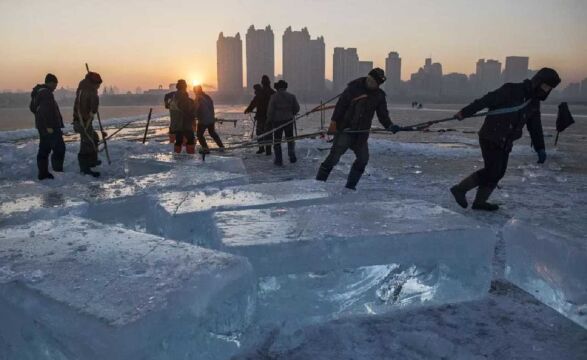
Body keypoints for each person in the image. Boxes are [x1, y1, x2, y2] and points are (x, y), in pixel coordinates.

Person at [450, 67, 561, 211]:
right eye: (546, 86)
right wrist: (464, 112)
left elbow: (535, 127)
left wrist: (540, 148)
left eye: (549, 88)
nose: (546, 90)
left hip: (506, 141)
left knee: (499, 172)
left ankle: (479, 202)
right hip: (491, 136)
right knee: (492, 171)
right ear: (538, 82)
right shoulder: (512, 90)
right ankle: (460, 189)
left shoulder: (534, 103)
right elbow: (485, 100)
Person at [316, 68, 400, 190]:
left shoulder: (379, 96)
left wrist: (390, 126)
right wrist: (334, 124)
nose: (370, 83)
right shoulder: (353, 89)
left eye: (374, 82)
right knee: (333, 158)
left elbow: (383, 115)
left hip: (361, 134)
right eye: (369, 80)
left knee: (363, 159)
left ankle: (350, 187)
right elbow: (340, 107)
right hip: (346, 130)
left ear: (378, 84)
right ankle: (318, 184)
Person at [29, 73, 65, 180]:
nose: (55, 87)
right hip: (50, 128)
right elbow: (44, 111)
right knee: (59, 148)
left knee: (44, 149)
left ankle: (43, 173)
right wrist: (49, 126)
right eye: (55, 84)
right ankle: (58, 171)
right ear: (50, 83)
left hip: (43, 127)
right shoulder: (46, 93)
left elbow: (33, 108)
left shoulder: (38, 92)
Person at [73, 71, 103, 177]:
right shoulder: (90, 91)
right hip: (83, 121)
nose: (99, 86)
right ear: (94, 83)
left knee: (93, 137)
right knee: (87, 143)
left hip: (81, 120)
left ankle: (92, 161)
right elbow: (94, 105)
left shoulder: (82, 88)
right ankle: (85, 169)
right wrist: (92, 112)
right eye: (98, 84)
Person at [266, 80, 300, 166]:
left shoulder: (273, 97)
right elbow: (297, 108)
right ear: (285, 87)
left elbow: (270, 111)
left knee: (277, 141)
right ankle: (292, 156)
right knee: (290, 139)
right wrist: (293, 113)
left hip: (277, 121)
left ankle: (278, 160)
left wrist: (269, 120)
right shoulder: (291, 96)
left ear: (277, 87)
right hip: (289, 120)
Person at [244, 75, 275, 155]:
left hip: (261, 116)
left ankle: (261, 148)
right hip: (270, 117)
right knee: (268, 133)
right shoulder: (273, 92)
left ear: (262, 83)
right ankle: (268, 150)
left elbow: (254, 103)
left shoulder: (260, 93)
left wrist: (248, 109)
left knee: (260, 132)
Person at [165, 80, 196, 154]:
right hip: (185, 124)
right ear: (185, 87)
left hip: (176, 124)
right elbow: (187, 110)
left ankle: (177, 156)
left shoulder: (173, 97)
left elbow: (167, 99)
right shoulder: (184, 97)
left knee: (178, 140)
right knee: (191, 140)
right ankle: (191, 157)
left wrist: (166, 104)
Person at [194, 85, 224, 154]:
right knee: (212, 133)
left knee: (199, 135)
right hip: (211, 119)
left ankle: (205, 148)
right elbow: (211, 108)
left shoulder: (198, 98)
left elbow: (196, 108)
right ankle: (221, 146)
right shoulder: (208, 97)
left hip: (203, 120)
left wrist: (194, 115)